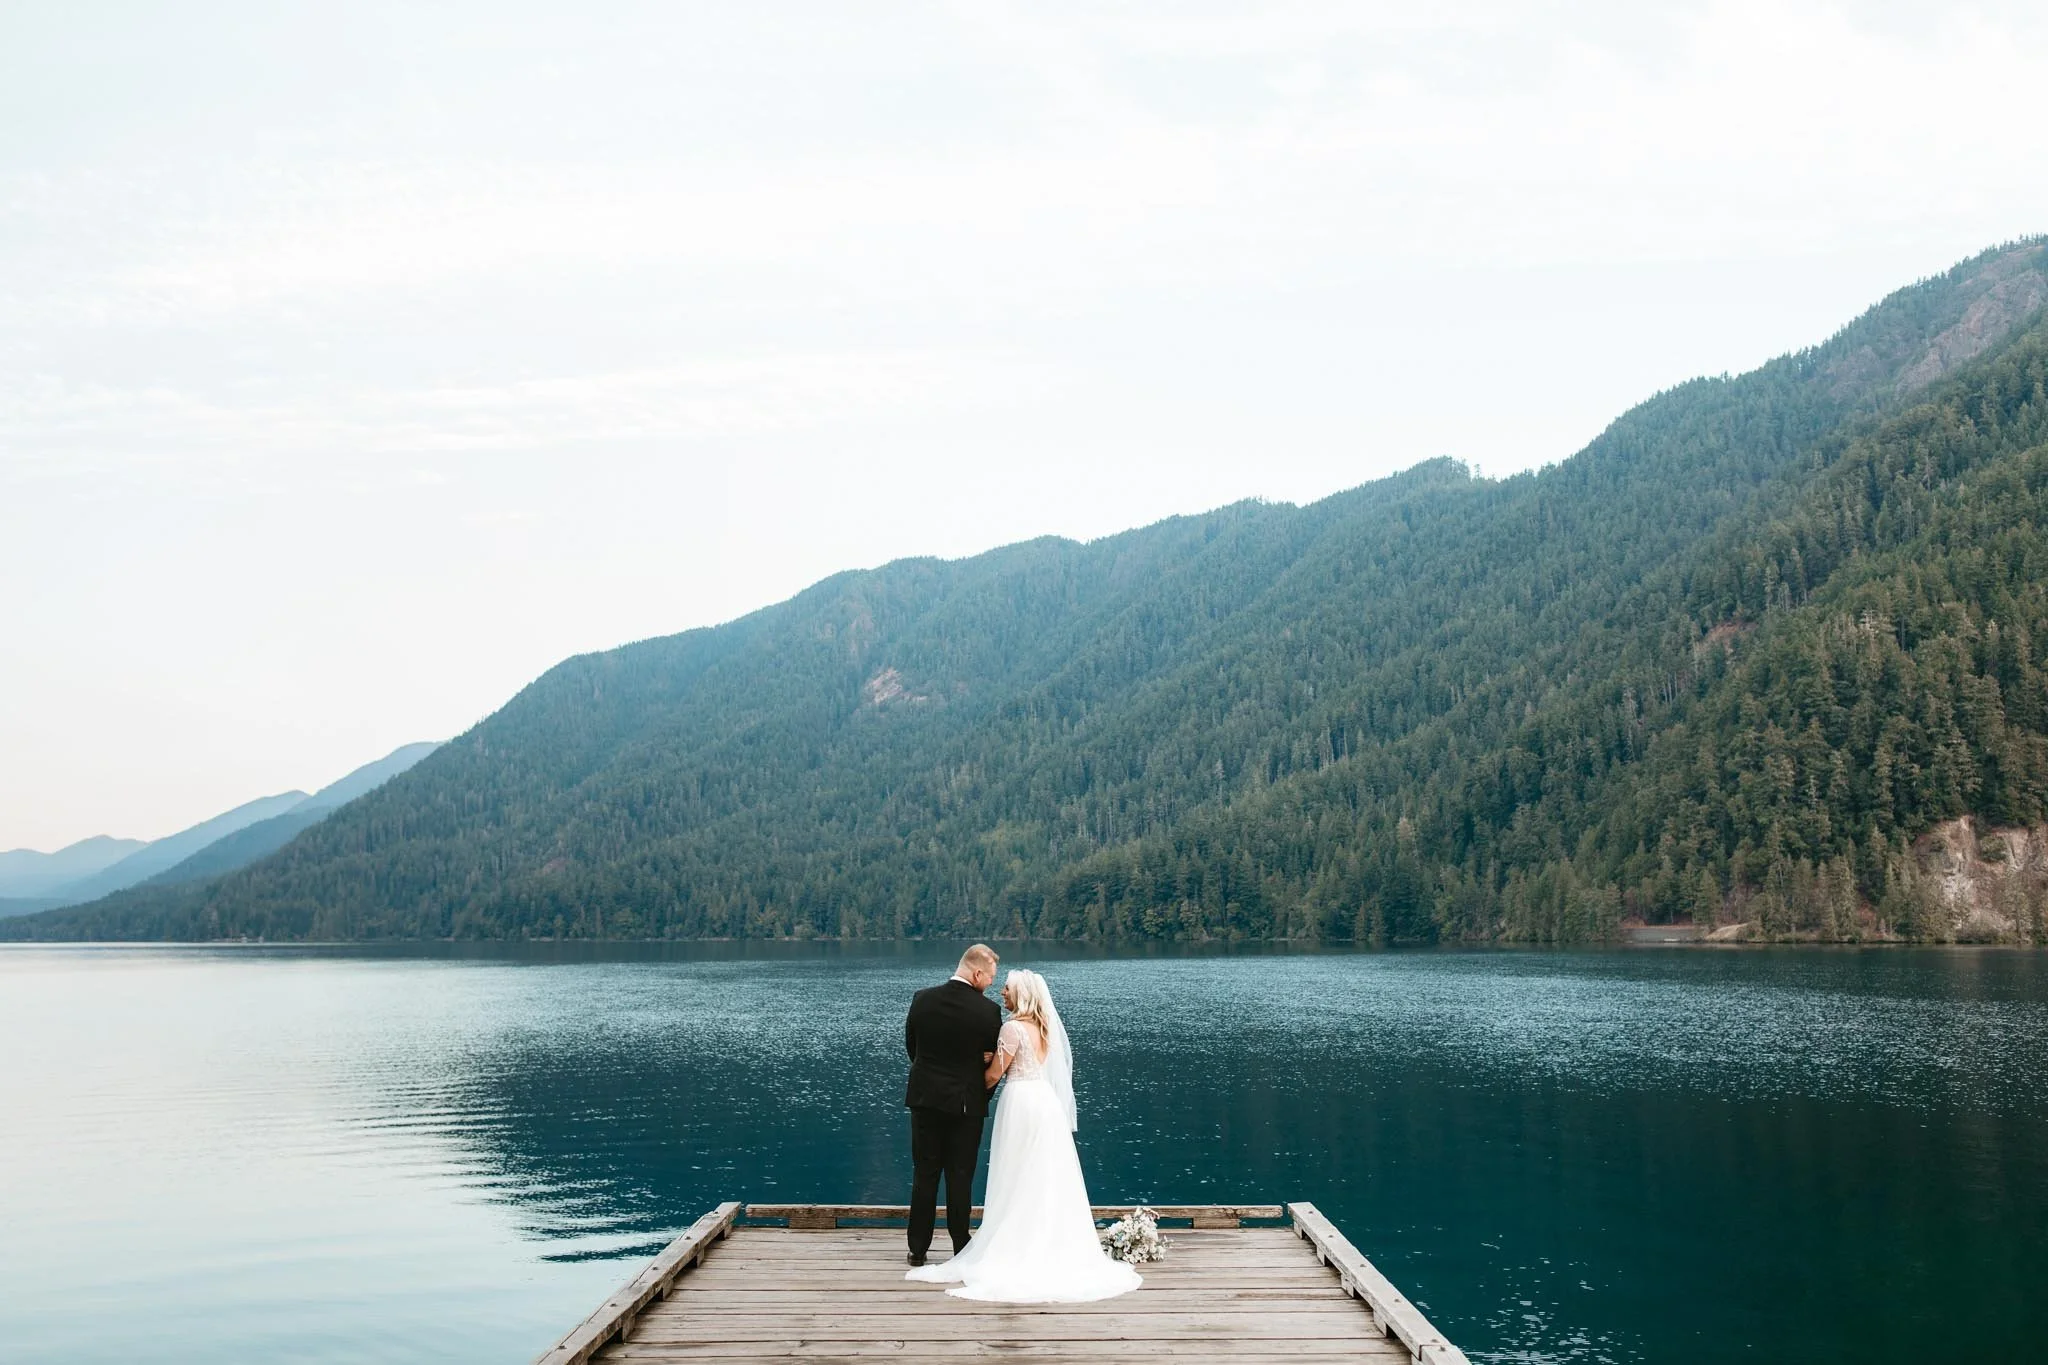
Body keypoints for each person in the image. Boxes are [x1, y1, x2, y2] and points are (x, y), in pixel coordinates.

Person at [906, 967, 1141, 1303]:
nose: (1002, 992)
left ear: (1021, 995)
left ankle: (1014, 1243)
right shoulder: (1045, 1028)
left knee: (1016, 1173)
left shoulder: (1012, 1028)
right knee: (1043, 1174)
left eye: (1008, 989)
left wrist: (979, 1064)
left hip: (1020, 1105)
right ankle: (1045, 1239)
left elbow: (991, 1077)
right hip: (1044, 1104)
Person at [902, 944, 1003, 1267]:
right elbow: (991, 1064)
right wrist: (978, 1094)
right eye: (989, 977)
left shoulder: (922, 999)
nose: (990, 984)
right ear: (976, 973)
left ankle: (918, 1248)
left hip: (925, 1100)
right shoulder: (987, 1012)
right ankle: (961, 1244)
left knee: (925, 1173)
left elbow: (912, 1049)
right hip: (965, 1105)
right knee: (960, 1176)